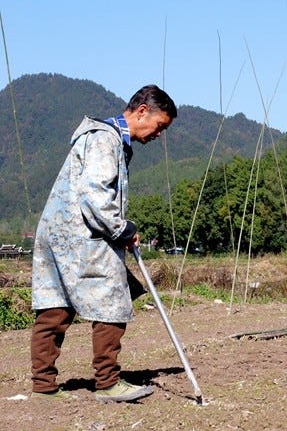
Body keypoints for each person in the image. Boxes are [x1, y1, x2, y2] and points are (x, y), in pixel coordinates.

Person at [30, 85, 177, 402]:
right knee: (113, 300)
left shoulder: (108, 140)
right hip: (83, 237)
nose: (158, 135)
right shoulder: (104, 140)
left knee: (55, 307)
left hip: (61, 234)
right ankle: (108, 382)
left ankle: (43, 386)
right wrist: (122, 229)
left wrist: (121, 229)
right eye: (160, 126)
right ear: (141, 112)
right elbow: (96, 198)